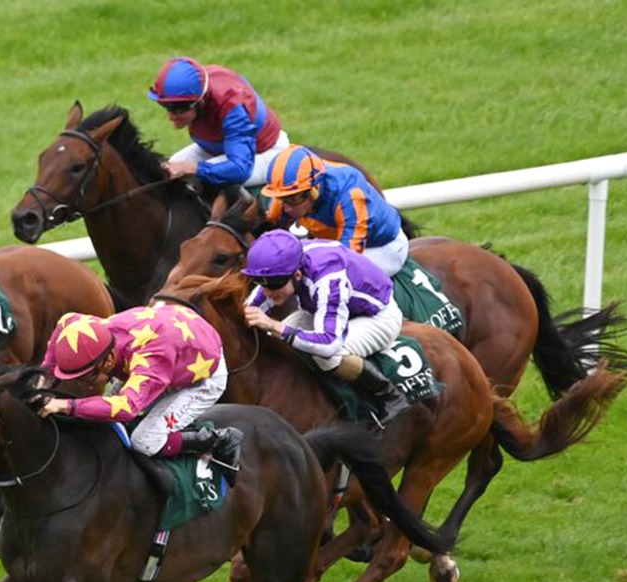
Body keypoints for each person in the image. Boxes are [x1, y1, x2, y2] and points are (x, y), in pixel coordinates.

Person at [38, 306, 242, 481]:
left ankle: (220, 439)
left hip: (204, 376)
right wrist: (44, 376)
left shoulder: (149, 360)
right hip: (176, 338)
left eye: (86, 376)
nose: (82, 383)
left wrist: (65, 405)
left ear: (108, 360)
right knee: (101, 416)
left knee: (144, 441)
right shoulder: (91, 329)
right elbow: (65, 321)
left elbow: (127, 408)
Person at [242, 229, 408, 425]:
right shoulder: (285, 265)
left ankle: (389, 395)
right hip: (327, 309)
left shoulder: (327, 278)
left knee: (326, 357)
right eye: (262, 284)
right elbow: (250, 308)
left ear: (297, 275)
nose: (267, 292)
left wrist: (274, 325)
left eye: (273, 286)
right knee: (275, 338)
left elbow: (328, 344)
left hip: (376, 316)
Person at [263, 145, 409, 277]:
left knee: (334, 279)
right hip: (334, 242)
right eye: (282, 199)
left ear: (314, 190)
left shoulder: (350, 198)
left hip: (381, 247)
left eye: (293, 199)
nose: (286, 208)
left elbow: (349, 256)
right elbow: (268, 230)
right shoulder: (292, 191)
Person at [146, 56, 289, 189]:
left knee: (202, 180)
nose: (170, 117)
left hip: (264, 153)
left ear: (199, 102)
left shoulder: (233, 108)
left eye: (177, 109)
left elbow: (240, 169)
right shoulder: (198, 86)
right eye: (165, 106)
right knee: (170, 169)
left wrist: (193, 168)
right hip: (224, 148)